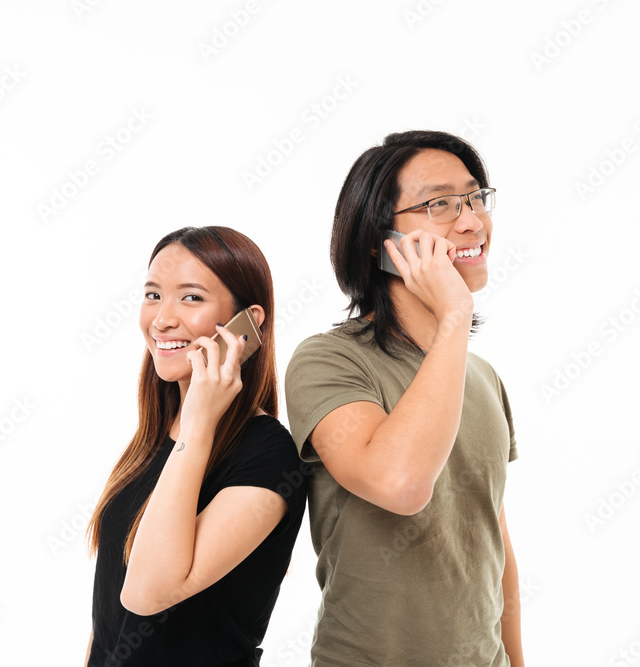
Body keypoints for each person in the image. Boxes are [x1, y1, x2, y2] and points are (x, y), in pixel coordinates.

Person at [285, 130, 524, 665]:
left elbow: (494, 549)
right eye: (439, 203)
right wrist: (454, 315)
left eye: (475, 197)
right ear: (378, 241)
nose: (471, 221)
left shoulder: (480, 375)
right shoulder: (328, 361)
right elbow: (400, 484)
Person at [85, 226, 307, 666]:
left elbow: (146, 593)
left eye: (191, 298)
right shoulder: (154, 436)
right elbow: (110, 615)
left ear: (249, 323)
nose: (163, 319)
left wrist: (199, 423)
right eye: (153, 295)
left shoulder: (269, 456)